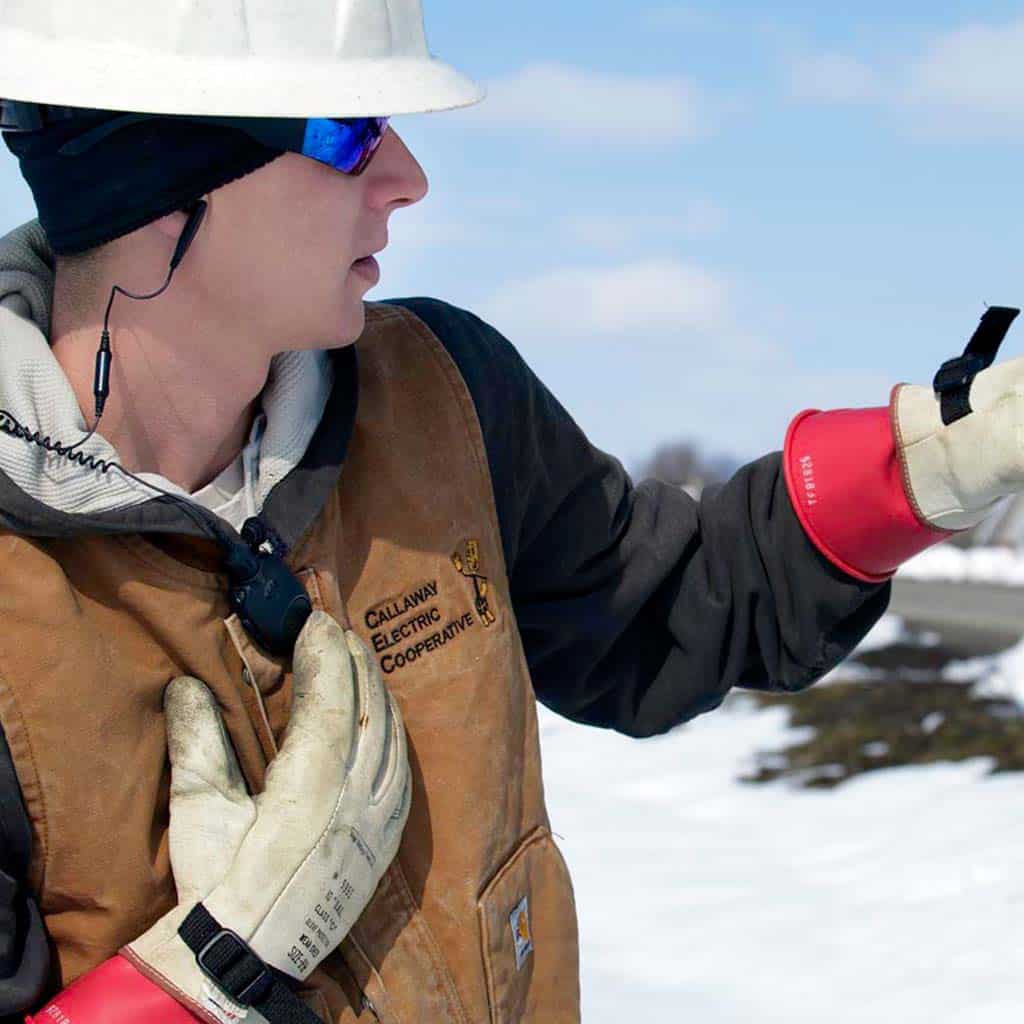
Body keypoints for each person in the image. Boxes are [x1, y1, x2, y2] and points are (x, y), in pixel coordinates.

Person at [0, 2, 1022, 1021]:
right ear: (160, 173)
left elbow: (660, 610)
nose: (407, 177)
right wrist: (202, 981)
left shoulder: (442, 394)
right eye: (350, 130)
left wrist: (903, 477)